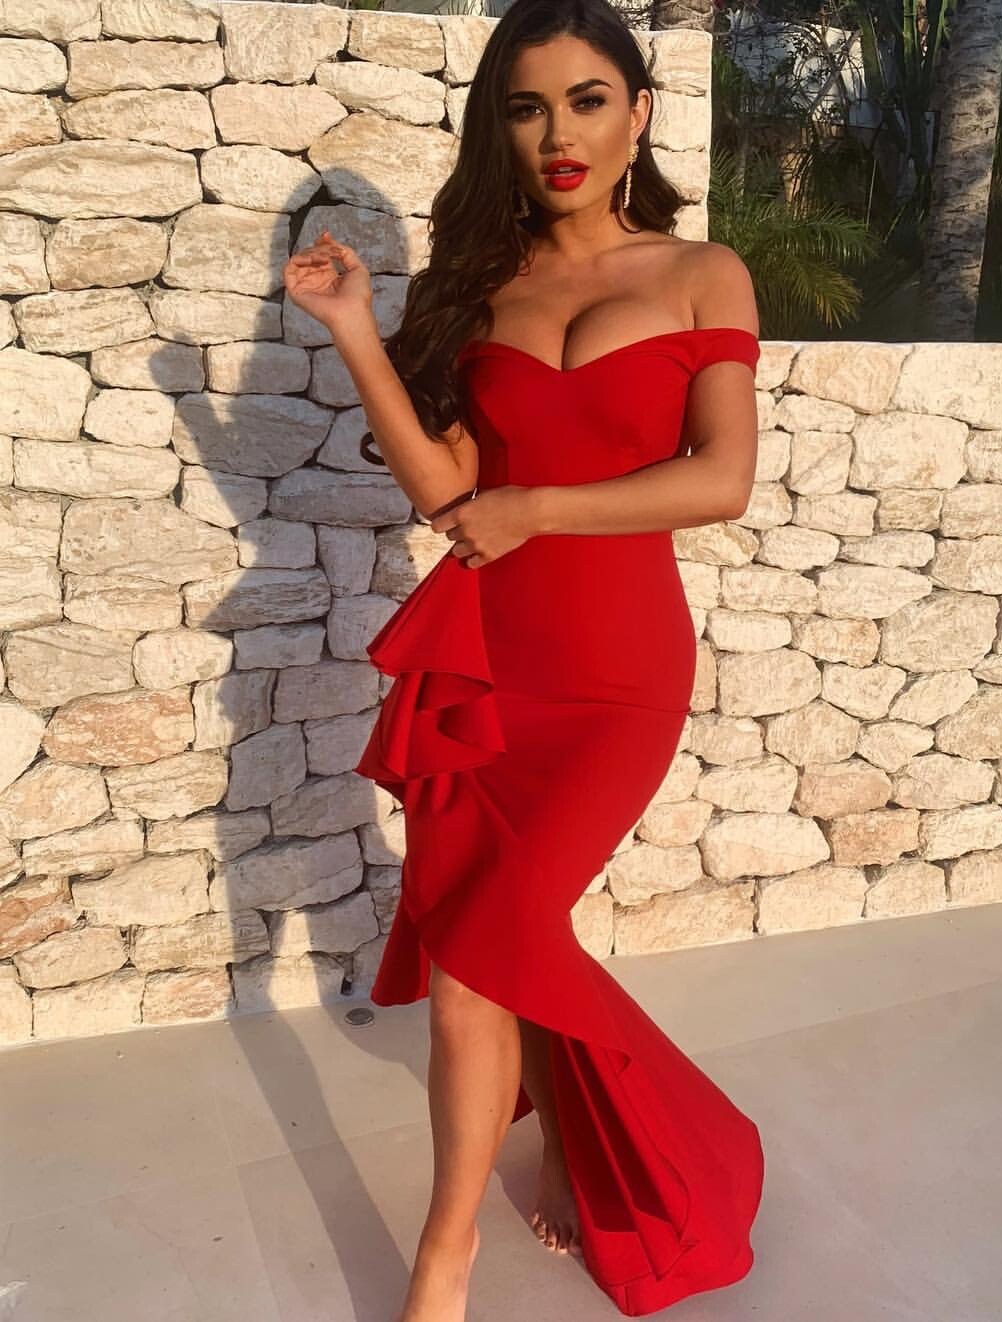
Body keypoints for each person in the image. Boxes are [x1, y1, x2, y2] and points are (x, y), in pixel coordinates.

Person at [282, 2, 764, 1317]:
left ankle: (449, 1250)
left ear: (638, 114)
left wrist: (541, 506)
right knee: (486, 947)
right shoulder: (480, 292)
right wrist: (356, 330)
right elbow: (449, 492)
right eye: (528, 106)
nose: (560, 133)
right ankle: (491, 1211)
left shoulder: (701, 272)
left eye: (588, 100)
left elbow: (719, 479)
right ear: (499, 127)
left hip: (616, 675)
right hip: (490, 662)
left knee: (484, 948)